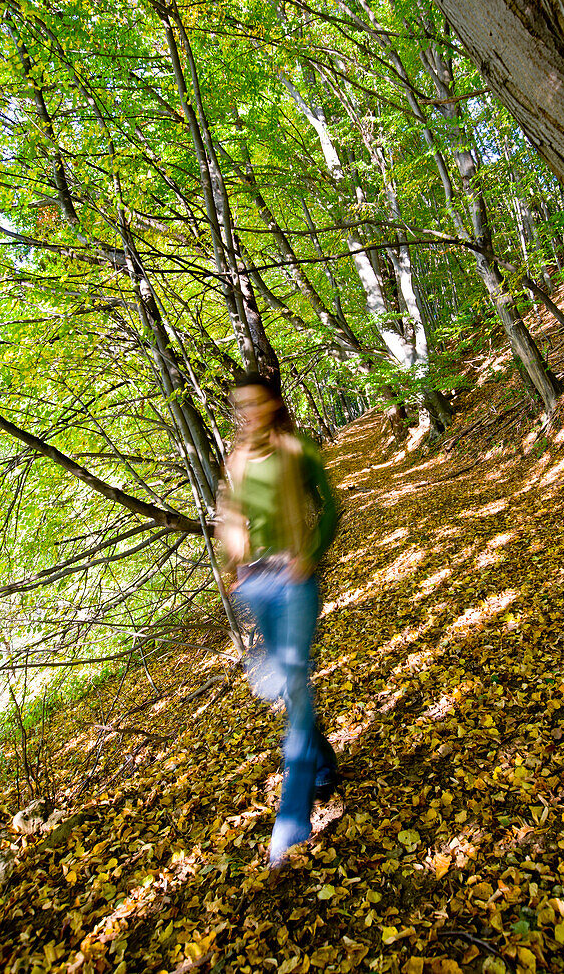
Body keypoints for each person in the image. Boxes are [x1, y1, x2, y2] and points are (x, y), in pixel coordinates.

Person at [217, 371, 340, 867]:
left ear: (272, 405)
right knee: (293, 688)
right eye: (240, 406)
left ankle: (291, 822)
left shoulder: (297, 450)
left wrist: (310, 553)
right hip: (258, 585)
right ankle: (325, 767)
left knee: (291, 680)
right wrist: (234, 565)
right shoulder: (238, 459)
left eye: (256, 403)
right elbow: (233, 517)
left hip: (294, 583)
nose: (249, 413)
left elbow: (331, 507)